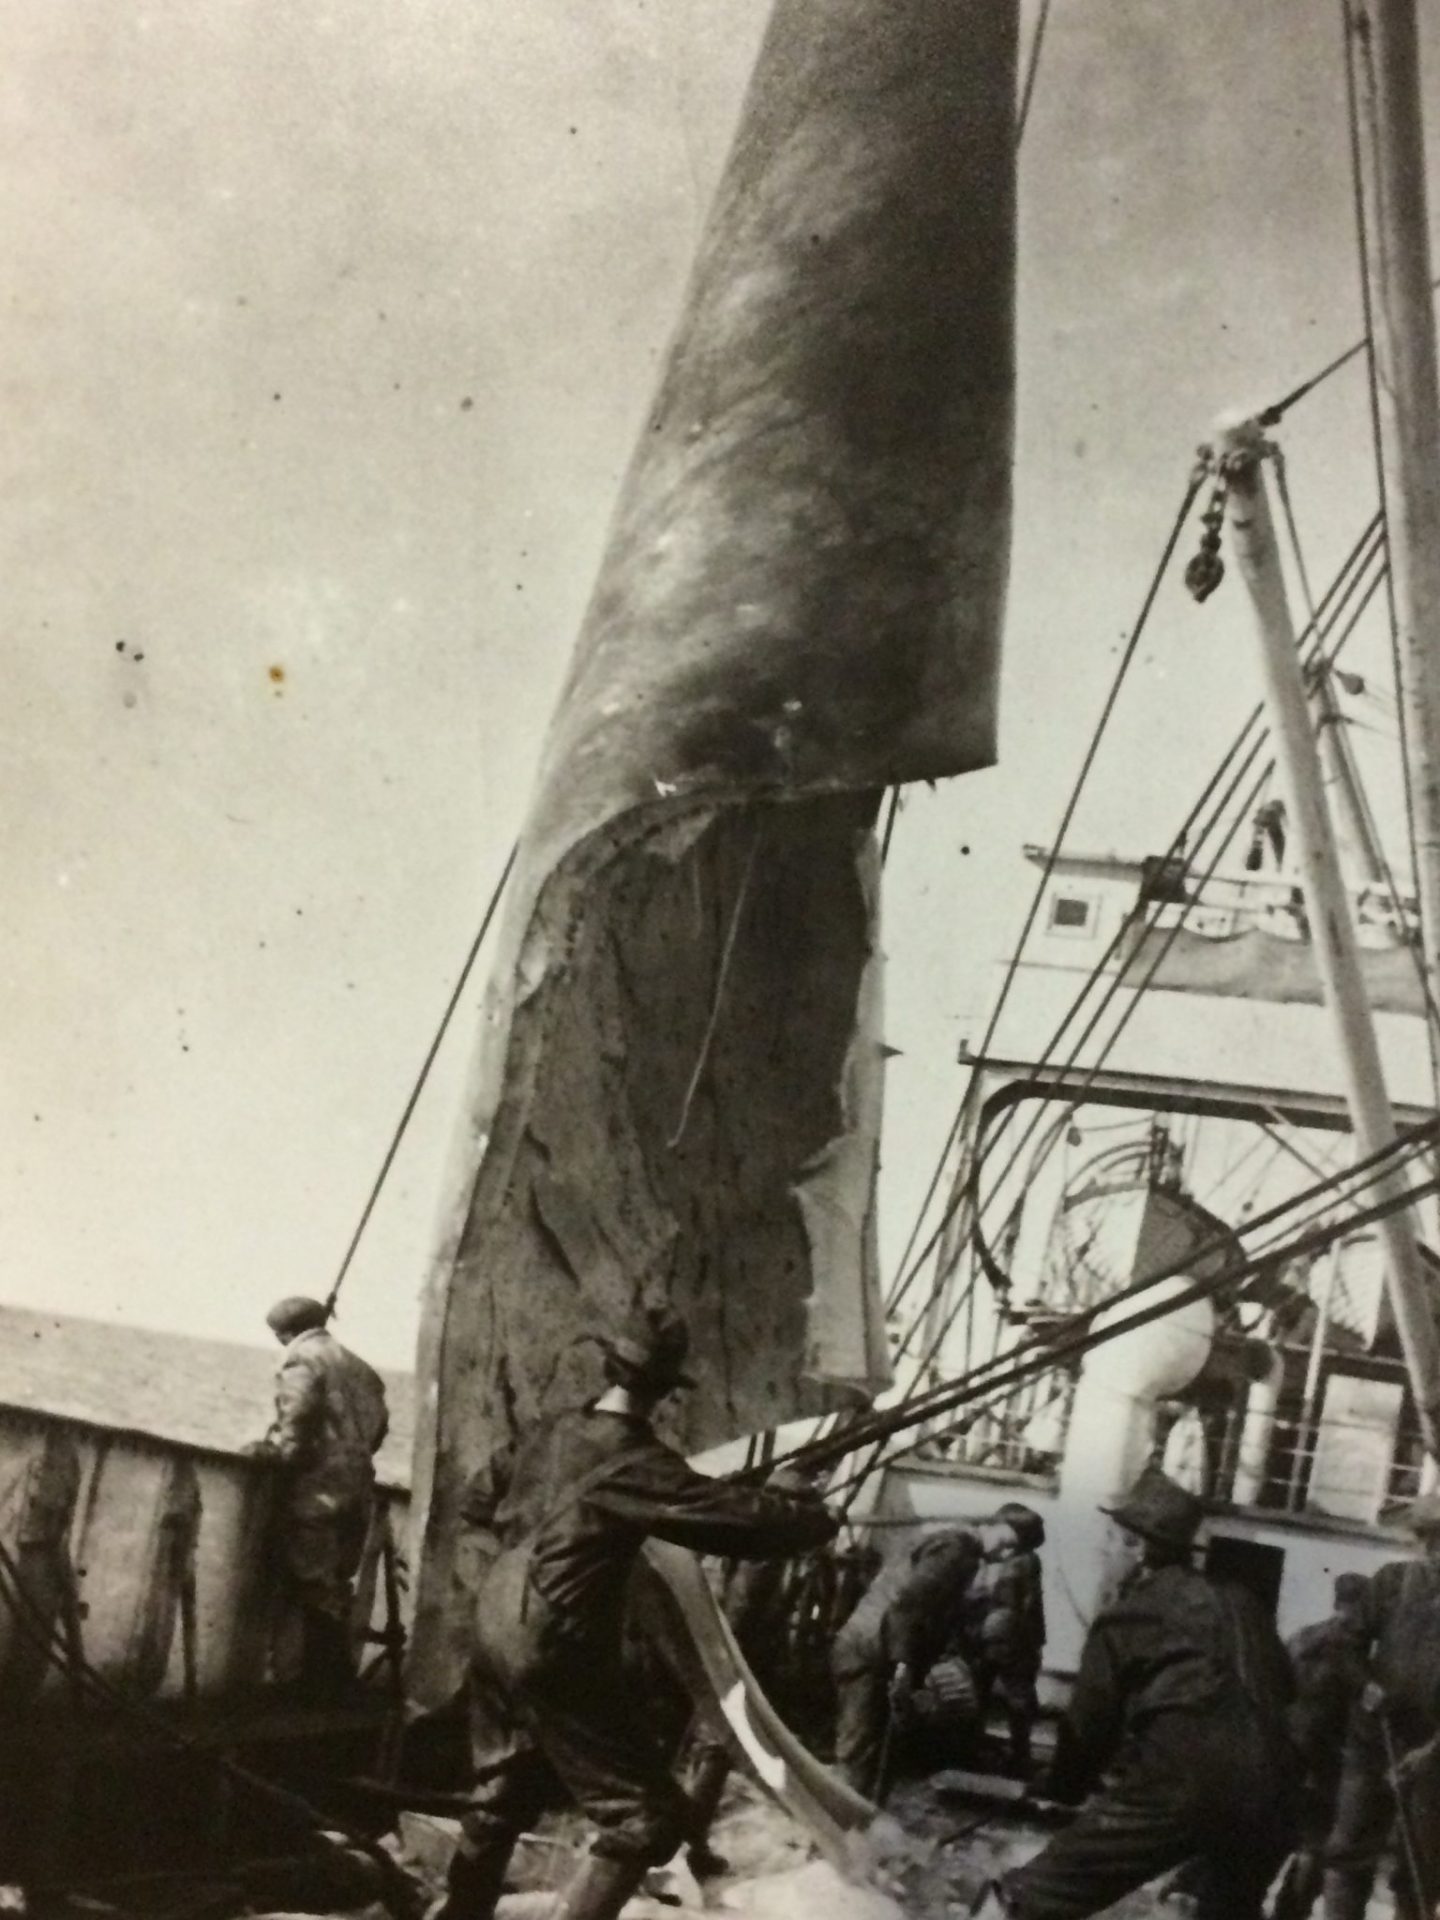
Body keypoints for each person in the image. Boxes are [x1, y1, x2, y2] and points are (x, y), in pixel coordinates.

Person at [438, 1304, 837, 1920]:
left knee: (499, 1795)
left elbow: (477, 1501)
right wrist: (799, 1504)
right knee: (650, 1817)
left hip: (490, 1631)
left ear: (607, 1367)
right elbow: (743, 1525)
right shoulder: (641, 1463)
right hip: (553, 1642)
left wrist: (506, 1580)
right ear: (665, 1396)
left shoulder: (546, 1432)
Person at [976, 1465, 1297, 1920]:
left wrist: (1062, 1785)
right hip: (1278, 1795)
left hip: (1182, 1785)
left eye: (1111, 1541)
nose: (1104, 1552)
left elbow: (1088, 1729)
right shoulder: (1244, 1603)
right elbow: (1284, 1688)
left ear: (1138, 1548)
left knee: (1029, 1896)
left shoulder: (1128, 1616)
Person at [829, 1504, 1031, 1799]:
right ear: (990, 1524)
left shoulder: (959, 1548)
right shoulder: (956, 1550)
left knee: (879, 1751)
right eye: (1006, 1543)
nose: (1006, 1555)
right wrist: (904, 1664)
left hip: (875, 1648)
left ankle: (860, 1823)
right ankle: (838, 1826)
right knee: (860, 1750)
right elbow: (908, 1606)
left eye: (1015, 1552)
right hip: (870, 1650)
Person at [245, 1295, 389, 1699]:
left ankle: (322, 1686)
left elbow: (297, 1418)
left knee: (313, 1582)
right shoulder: (362, 1368)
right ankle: (328, 1683)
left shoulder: (300, 1359)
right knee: (337, 1582)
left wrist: (277, 1452)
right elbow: (378, 1430)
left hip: (319, 1488)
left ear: (283, 1333)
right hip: (358, 1486)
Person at [1321, 1491, 1440, 1920]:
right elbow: (1345, 1645)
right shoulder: (1391, 1582)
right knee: (1348, 1852)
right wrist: (1365, 1683)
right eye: (1424, 1538)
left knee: (1421, 1870)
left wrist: (1430, 1753)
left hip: (1433, 1761)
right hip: (1373, 1743)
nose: (1430, 1550)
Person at [1271, 1574, 1369, 1920]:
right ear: (1360, 1605)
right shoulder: (1351, 1652)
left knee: (1272, 1841)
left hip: (1281, 1754)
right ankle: (1289, 1913)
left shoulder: (1301, 1637)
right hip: (1322, 1764)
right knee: (1314, 1850)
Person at [961, 1502, 1048, 1775]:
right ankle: (1017, 1756)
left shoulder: (1012, 1562)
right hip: (1011, 1636)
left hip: (998, 1634)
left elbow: (1003, 1602)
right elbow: (1025, 1605)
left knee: (986, 1691)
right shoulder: (1024, 1561)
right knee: (1014, 1696)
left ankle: (975, 1749)